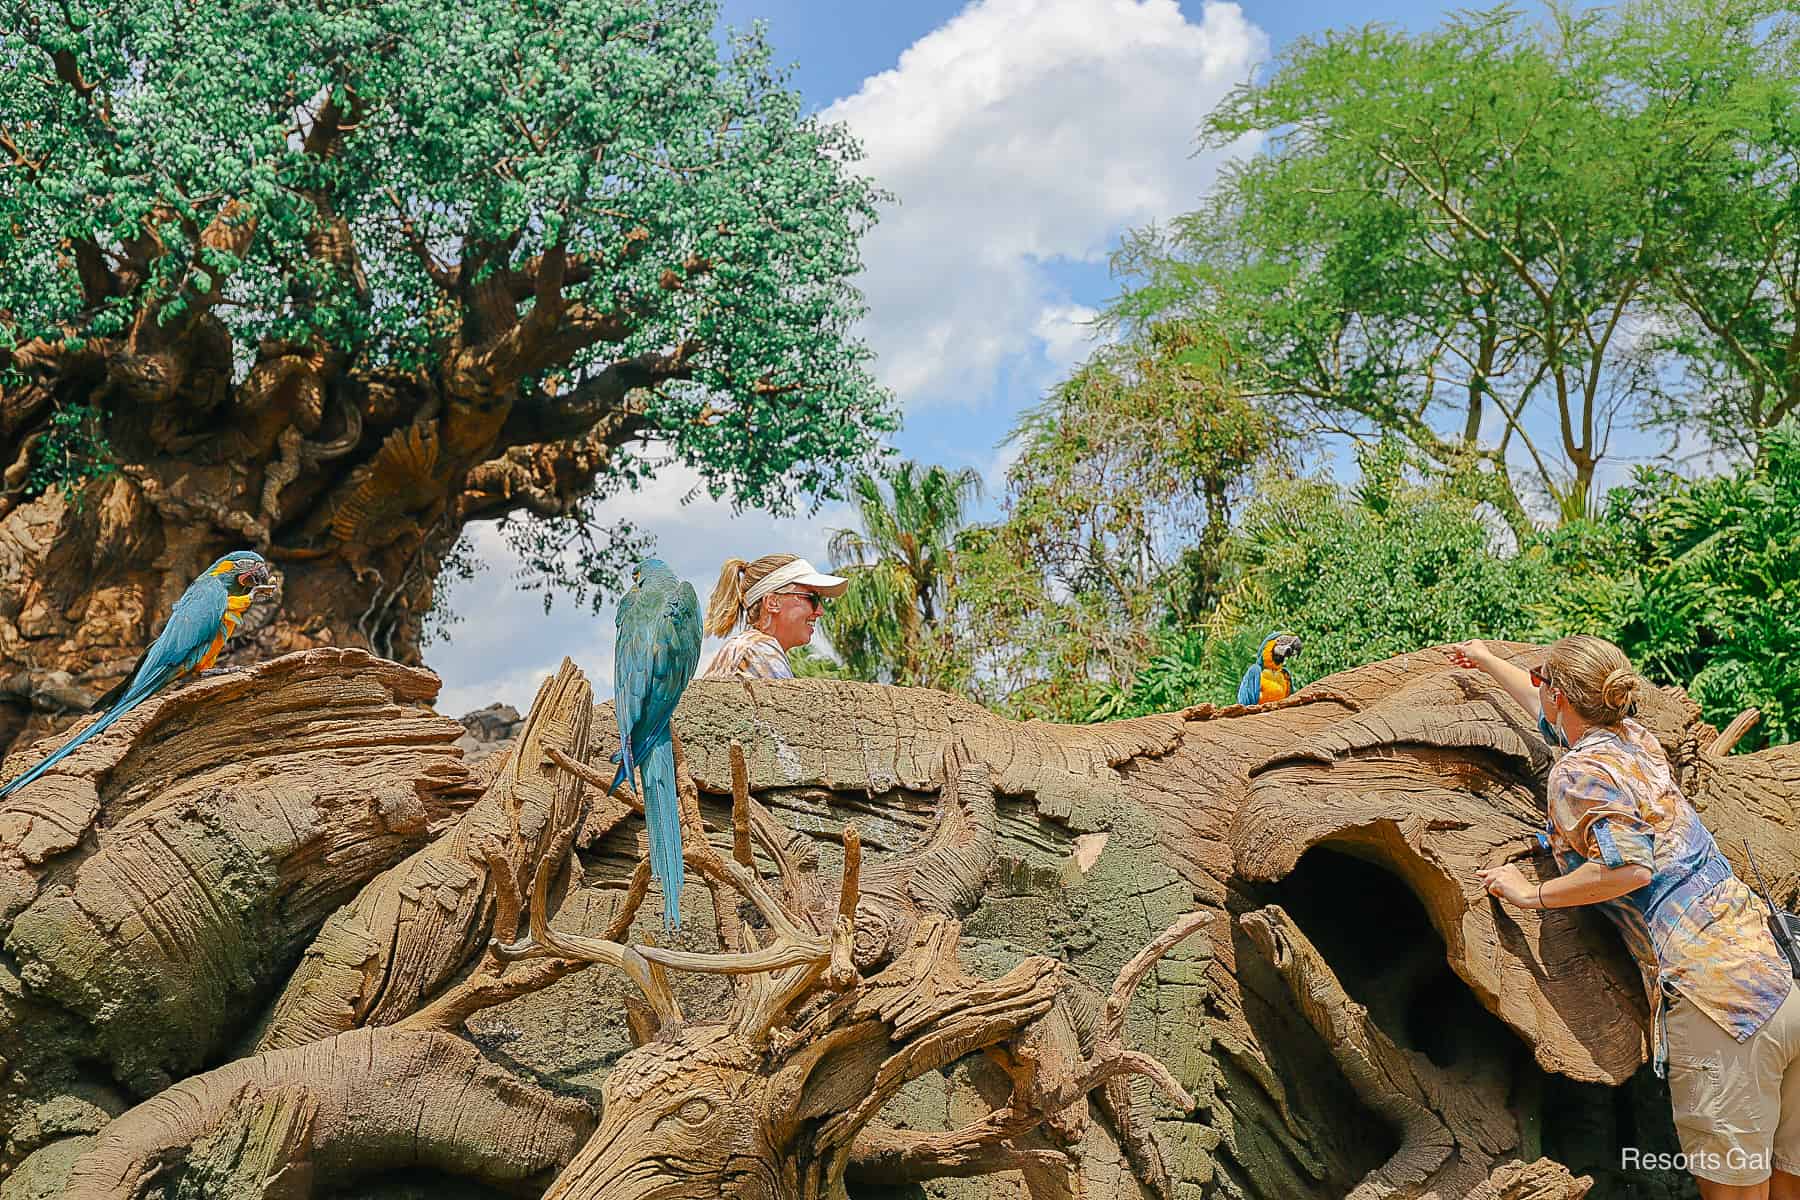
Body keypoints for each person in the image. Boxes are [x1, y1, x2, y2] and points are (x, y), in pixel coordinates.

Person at [1453, 635, 1800, 1200]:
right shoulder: (1634, 740)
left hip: (1721, 1010)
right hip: (1779, 983)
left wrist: (1528, 894)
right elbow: (1553, 719)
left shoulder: (1577, 775)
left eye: (1545, 686)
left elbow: (1628, 869)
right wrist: (1489, 663)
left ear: (1560, 695)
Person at [699, 553, 846, 681]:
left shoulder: (748, 646)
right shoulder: (759, 650)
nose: (820, 611)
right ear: (772, 602)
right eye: (812, 598)